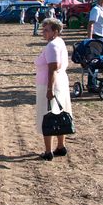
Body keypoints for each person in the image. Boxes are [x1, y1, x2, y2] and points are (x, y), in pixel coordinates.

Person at [34, 18, 72, 161]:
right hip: (60, 82)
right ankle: (60, 146)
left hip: (50, 84)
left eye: (47, 30)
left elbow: (52, 68)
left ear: (55, 31)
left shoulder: (52, 46)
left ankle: (48, 150)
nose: (43, 32)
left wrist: (49, 89)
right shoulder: (59, 42)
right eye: (43, 30)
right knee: (59, 114)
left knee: (47, 116)